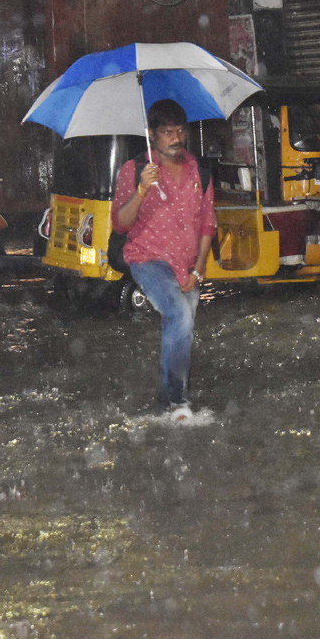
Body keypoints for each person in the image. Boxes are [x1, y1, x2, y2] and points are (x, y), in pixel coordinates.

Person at [111, 99, 216, 417]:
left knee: (184, 327)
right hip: (148, 259)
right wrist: (142, 190)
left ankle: (169, 399)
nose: (176, 138)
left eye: (180, 130)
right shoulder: (135, 170)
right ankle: (175, 402)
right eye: (167, 132)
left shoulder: (201, 170)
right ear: (151, 135)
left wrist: (198, 270)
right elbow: (120, 223)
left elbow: (207, 222)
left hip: (187, 264)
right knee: (179, 318)